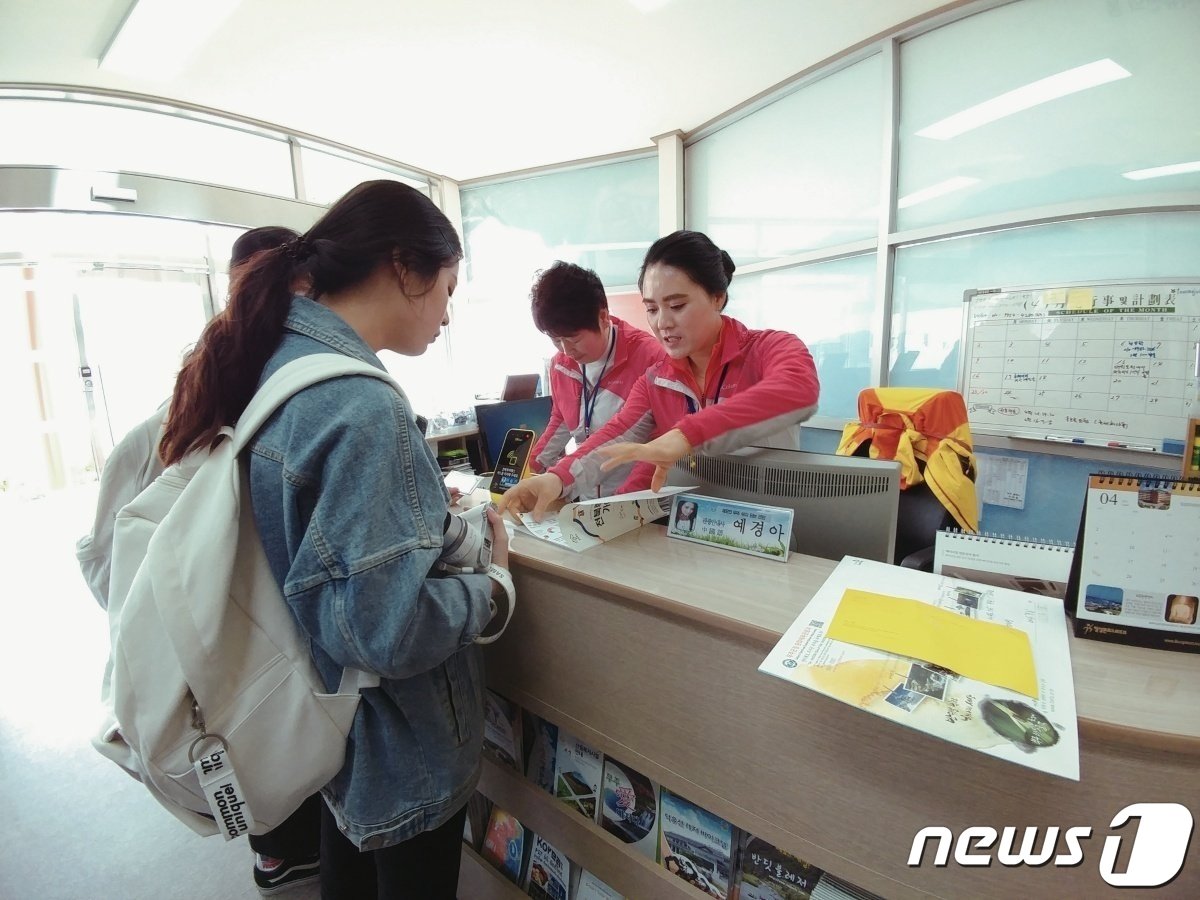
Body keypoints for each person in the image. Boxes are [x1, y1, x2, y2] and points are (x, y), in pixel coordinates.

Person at [158, 180, 511, 900]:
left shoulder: (275, 366)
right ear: (405, 267)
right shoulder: (361, 405)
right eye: (448, 285)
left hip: (328, 728)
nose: (448, 312)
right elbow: (386, 631)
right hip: (400, 739)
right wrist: (491, 592)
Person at [498, 230, 820, 521]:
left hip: (771, 528)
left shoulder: (769, 348)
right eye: (651, 309)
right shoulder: (656, 380)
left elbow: (798, 390)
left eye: (676, 305)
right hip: (696, 527)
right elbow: (613, 437)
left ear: (717, 297)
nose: (663, 323)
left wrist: (684, 435)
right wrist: (556, 479)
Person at [526, 261, 663, 498]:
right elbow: (560, 419)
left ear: (603, 317)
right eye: (555, 339)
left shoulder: (650, 357)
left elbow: (658, 439)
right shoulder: (560, 365)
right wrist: (530, 471)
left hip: (637, 496)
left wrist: (626, 497)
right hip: (585, 492)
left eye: (573, 339)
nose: (566, 350)